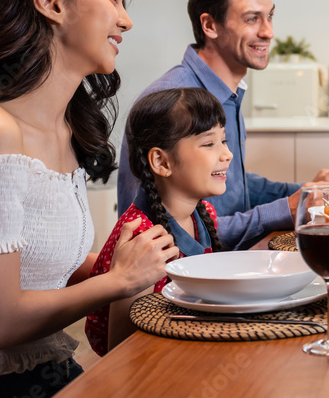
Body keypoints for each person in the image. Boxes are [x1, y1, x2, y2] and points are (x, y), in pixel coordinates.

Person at [0, 0, 178, 395]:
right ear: (50, 4)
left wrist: (152, 266)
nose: (126, 21)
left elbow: (47, 264)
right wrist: (119, 279)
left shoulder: (67, 132)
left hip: (48, 371)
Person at [116, 0, 329, 251]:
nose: (268, 32)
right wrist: (283, 210)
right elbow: (165, 232)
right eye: (252, 19)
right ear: (210, 25)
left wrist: (305, 192)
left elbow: (235, 187)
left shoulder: (228, 92)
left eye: (270, 17)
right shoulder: (174, 99)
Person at [87, 88, 230, 355]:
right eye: (210, 144)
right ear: (161, 161)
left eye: (225, 141)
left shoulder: (205, 212)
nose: (226, 154)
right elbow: (122, 350)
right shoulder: (143, 238)